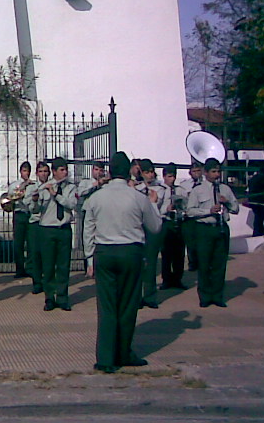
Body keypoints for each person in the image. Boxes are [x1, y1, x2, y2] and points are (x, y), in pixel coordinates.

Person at [83, 151, 162, 373]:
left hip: (105, 253)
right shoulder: (138, 197)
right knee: (127, 305)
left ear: (109, 171)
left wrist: (89, 258)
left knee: (107, 306)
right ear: (129, 171)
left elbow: (87, 229)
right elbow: (155, 227)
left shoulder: (96, 197)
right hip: (130, 252)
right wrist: (153, 204)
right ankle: (124, 352)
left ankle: (106, 358)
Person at [186, 157, 239, 308]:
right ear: (206, 172)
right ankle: (205, 296)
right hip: (204, 229)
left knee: (219, 264)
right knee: (204, 263)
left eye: (218, 171)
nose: (217, 175)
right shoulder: (198, 190)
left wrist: (227, 202)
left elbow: (236, 208)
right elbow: (190, 211)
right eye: (214, 171)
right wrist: (208, 211)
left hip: (221, 228)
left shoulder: (225, 189)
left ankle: (217, 296)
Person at [33, 157, 77, 311]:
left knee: (64, 265)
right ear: (54, 172)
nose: (65, 172)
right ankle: (49, 298)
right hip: (47, 229)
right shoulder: (44, 187)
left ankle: (63, 297)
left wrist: (56, 195)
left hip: (63, 229)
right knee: (48, 265)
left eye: (66, 169)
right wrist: (35, 200)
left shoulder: (70, 187)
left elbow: (72, 204)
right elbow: (36, 210)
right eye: (61, 170)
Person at [135, 159, 166, 309]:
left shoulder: (159, 189)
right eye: (146, 172)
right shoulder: (136, 188)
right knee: (139, 264)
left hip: (151, 228)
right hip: (139, 229)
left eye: (151, 171)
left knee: (151, 264)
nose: (150, 174)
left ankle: (150, 296)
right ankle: (138, 296)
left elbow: (157, 204)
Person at [159, 163, 189, 290]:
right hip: (166, 222)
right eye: (170, 176)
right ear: (164, 176)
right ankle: (166, 279)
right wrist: (167, 208)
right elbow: (155, 209)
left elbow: (187, 206)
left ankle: (177, 278)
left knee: (179, 253)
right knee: (166, 253)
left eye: (174, 176)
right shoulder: (160, 191)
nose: (172, 179)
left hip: (178, 222)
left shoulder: (180, 190)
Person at [23, 161, 50, 294]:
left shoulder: (52, 186)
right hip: (35, 223)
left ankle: (48, 280)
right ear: (37, 173)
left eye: (45, 171)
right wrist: (34, 200)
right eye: (41, 171)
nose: (43, 174)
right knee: (34, 253)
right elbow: (27, 204)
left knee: (47, 254)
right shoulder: (31, 188)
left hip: (48, 223)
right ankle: (37, 281)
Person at [77, 161, 108, 272]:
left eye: (100, 170)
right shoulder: (86, 182)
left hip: (101, 213)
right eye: (96, 169)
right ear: (92, 170)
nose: (98, 172)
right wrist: (95, 185)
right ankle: (88, 266)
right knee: (87, 237)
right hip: (87, 212)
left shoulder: (106, 183)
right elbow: (80, 192)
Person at [4, 161, 32, 279]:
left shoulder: (33, 184)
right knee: (18, 243)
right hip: (19, 213)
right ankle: (19, 269)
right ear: (21, 172)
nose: (26, 173)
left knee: (31, 243)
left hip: (30, 214)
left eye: (28, 171)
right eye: (24, 171)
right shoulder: (15, 185)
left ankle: (30, 268)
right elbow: (11, 197)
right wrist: (23, 187)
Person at [178, 162, 204, 271]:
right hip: (189, 216)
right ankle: (192, 262)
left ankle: (202, 262)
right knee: (190, 242)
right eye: (194, 171)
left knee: (201, 241)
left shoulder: (205, 184)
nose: (196, 173)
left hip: (202, 215)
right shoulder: (184, 185)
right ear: (190, 173)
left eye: (198, 171)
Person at [248, 164, 264, 237]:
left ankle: (257, 233)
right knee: (261, 219)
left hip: (253, 200)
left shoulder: (253, 178)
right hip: (261, 201)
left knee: (258, 218)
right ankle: (259, 234)